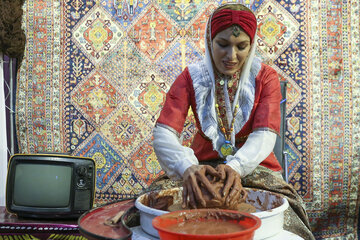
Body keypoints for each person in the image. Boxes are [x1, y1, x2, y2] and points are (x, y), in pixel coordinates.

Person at [151, 3, 314, 239]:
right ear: (209, 41)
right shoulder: (191, 77)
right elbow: (164, 132)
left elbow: (264, 134)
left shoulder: (265, 78)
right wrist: (187, 167)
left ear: (252, 45)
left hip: (255, 167)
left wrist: (236, 167)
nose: (232, 56)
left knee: (288, 224)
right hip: (202, 167)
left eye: (242, 46)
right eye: (223, 44)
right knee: (146, 209)